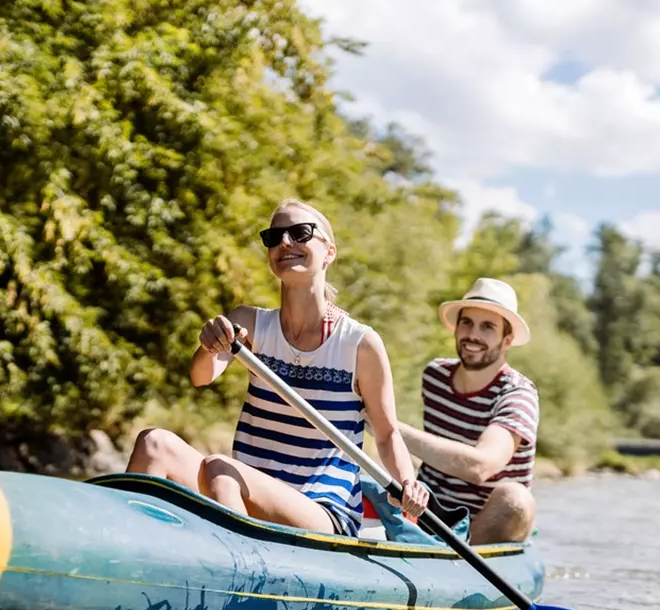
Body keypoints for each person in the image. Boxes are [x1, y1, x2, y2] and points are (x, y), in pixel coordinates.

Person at [126, 200, 429, 536]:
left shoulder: (360, 343)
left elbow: (386, 435)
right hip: (237, 490)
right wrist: (210, 344)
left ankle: (241, 573)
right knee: (153, 443)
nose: (285, 243)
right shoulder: (248, 323)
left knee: (220, 469)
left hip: (322, 511)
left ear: (329, 252)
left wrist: (407, 483)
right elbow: (201, 376)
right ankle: (121, 559)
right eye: (274, 237)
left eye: (300, 233)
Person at [394, 278, 539, 545]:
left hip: (486, 526)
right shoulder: (435, 376)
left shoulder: (519, 394)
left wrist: (389, 428)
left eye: (488, 327)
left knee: (515, 499)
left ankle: (461, 563)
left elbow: (480, 467)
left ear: (506, 340)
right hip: (430, 511)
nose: (473, 335)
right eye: (467, 323)